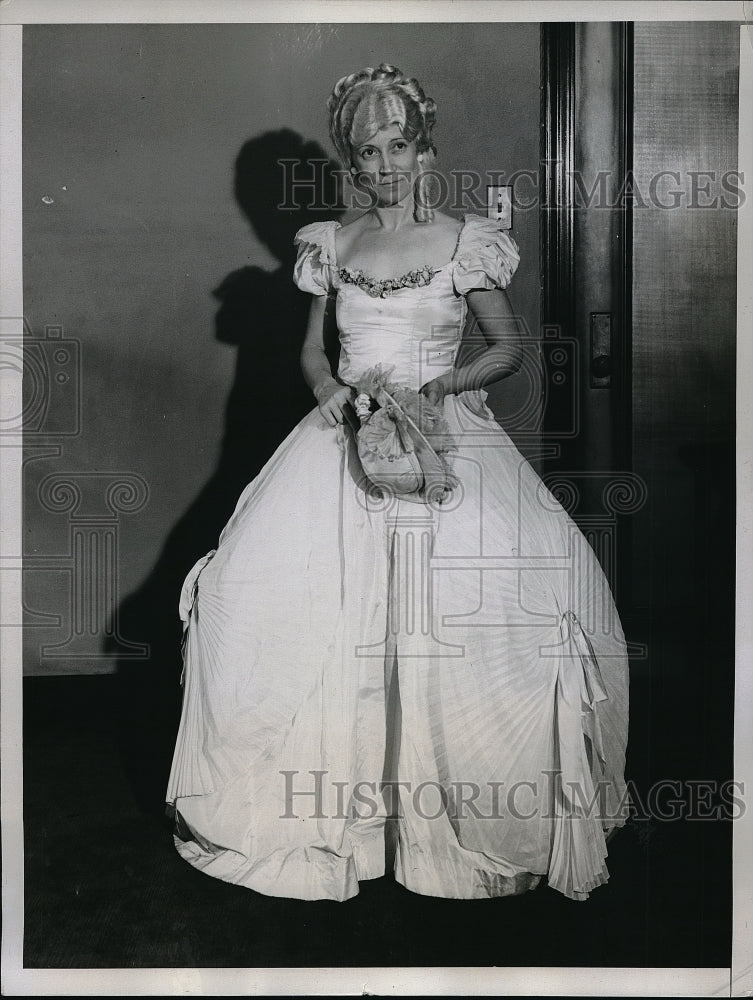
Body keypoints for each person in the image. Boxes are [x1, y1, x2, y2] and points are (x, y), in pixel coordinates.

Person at [166, 63, 629, 903]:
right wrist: (335, 394)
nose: (384, 165)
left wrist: (439, 392)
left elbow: (506, 347)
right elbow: (313, 350)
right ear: (352, 162)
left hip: (444, 435)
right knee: (265, 599)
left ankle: (451, 829)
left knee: (471, 620)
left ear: (425, 152)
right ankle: (333, 821)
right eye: (367, 152)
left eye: (399, 147)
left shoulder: (464, 242)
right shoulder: (330, 245)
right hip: (339, 438)